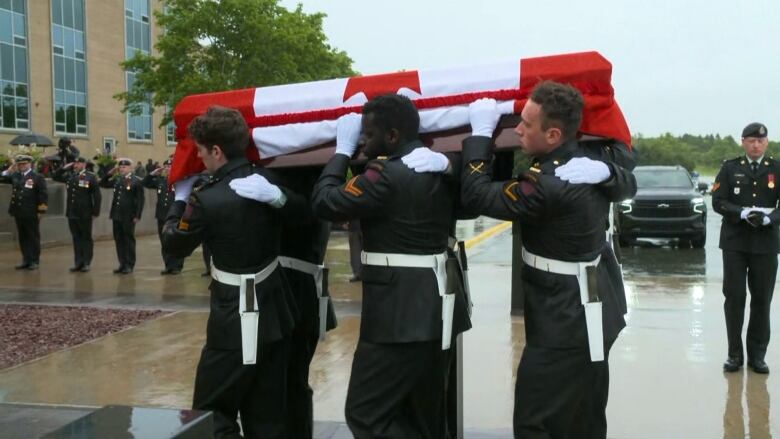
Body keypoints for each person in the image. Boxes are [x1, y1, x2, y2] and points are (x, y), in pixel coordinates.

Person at [455, 82, 635, 438]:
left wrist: (480, 135)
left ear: (554, 134)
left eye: (526, 124)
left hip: (565, 319)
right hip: (597, 306)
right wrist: (609, 172)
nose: (517, 128)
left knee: (535, 421)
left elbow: (475, 195)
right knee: (583, 418)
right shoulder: (591, 161)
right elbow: (628, 178)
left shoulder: (546, 184)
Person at [311, 94, 461, 438]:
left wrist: (341, 151)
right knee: (424, 418)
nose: (364, 141)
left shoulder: (385, 175)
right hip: (439, 309)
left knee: (365, 414)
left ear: (392, 137)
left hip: (397, 316)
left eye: (368, 134)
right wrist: (452, 161)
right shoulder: (440, 169)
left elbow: (324, 201)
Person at [161, 106, 308, 438]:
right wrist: (280, 198)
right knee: (268, 413)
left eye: (201, 152)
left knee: (210, 412)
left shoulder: (207, 199)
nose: (199, 159)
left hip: (232, 316)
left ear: (217, 150)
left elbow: (173, 245)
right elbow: (306, 215)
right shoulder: (269, 181)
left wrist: (179, 200)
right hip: (275, 311)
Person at [232, 165, 339, 437]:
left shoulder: (313, 180)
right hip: (284, 290)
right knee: (279, 384)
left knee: (288, 384)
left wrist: (277, 196)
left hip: (298, 291)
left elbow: (310, 212)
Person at [712, 122, 778, 375]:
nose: (756, 144)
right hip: (735, 243)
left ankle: (757, 356)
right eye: (751, 140)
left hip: (766, 243)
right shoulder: (730, 168)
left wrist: (770, 218)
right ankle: (734, 355)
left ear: (766, 143)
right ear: (743, 142)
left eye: (760, 141)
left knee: (762, 301)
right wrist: (740, 213)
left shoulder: (776, 168)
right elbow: (718, 201)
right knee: (735, 299)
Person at [53, 157, 101, 272]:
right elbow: (55, 177)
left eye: (78, 163)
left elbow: (97, 196)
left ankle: (86, 262)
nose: (75, 165)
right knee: (76, 238)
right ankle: (78, 262)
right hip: (72, 213)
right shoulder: (71, 176)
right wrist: (63, 168)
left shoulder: (90, 177)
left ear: (84, 164)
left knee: (86, 238)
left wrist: (95, 212)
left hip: (85, 213)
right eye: (75, 163)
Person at [0, 155, 48, 270]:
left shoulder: (37, 177)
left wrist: (41, 211)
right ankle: (26, 259)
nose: (21, 166)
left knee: (32, 236)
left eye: (24, 164)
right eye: (19, 164)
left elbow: (43, 195)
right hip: (18, 211)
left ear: (30, 164)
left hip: (31, 212)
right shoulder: (15, 175)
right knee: (23, 237)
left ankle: (34, 260)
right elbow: (1, 178)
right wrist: (8, 171)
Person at [100, 158, 144, 274]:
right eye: (120, 167)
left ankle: (129, 264)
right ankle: (122, 264)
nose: (121, 169)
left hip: (129, 216)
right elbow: (103, 183)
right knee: (119, 240)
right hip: (117, 215)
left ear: (130, 168)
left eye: (124, 167)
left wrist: (137, 215)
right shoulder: (117, 180)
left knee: (128, 240)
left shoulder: (135, 181)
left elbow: (140, 200)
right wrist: (110, 173)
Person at [142, 158, 184, 275]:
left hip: (176, 216)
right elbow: (144, 183)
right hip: (162, 216)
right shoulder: (160, 181)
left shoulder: (180, 181)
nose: (168, 169)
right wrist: (152, 174)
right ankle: (168, 265)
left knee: (176, 241)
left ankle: (177, 266)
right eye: (166, 167)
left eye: (170, 166)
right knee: (164, 241)